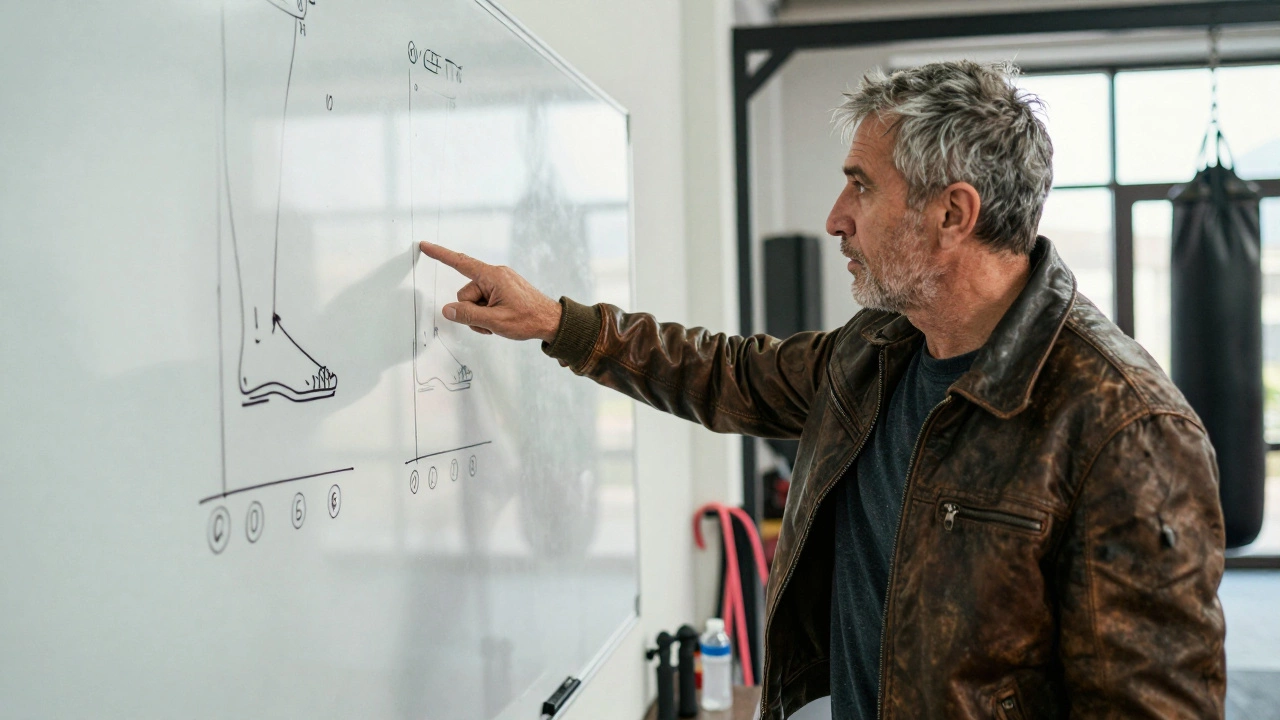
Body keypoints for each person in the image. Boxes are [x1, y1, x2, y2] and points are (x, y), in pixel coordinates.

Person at [418, 60, 1226, 719]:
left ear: (953, 213)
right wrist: (558, 322)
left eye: (861, 187)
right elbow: (723, 370)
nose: (836, 217)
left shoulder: (1126, 427)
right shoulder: (876, 351)